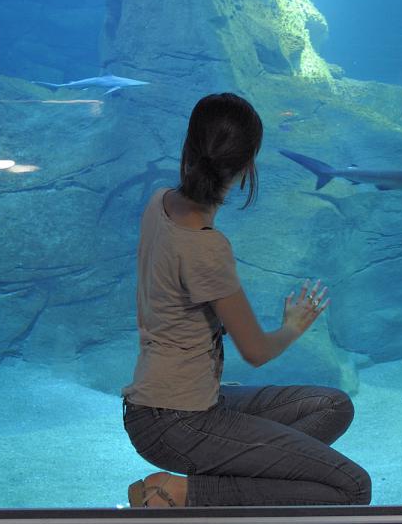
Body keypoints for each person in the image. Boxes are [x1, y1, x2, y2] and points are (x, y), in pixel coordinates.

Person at [122, 92, 371, 508]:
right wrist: (293, 326)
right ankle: (185, 493)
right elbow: (256, 350)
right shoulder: (206, 247)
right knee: (352, 486)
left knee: (332, 406)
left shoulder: (159, 202)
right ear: (247, 166)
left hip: (167, 404)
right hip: (177, 419)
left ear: (190, 147)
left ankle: (238, 476)